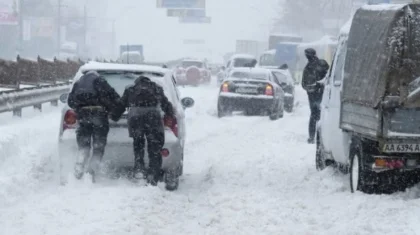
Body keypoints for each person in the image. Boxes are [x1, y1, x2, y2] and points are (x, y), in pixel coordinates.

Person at [112, 75, 175, 186]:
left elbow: (120, 106)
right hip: (153, 118)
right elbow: (166, 104)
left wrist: (114, 116)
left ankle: (139, 170)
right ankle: (153, 175)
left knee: (138, 144)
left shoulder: (130, 89)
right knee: (154, 148)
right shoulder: (156, 88)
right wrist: (171, 113)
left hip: (135, 118)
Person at [67, 71, 121, 181]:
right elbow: (114, 97)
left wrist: (80, 107)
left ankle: (79, 166)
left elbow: (70, 102)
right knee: (98, 147)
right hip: (99, 115)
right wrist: (112, 109)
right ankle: (91, 173)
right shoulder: (100, 81)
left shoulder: (79, 83)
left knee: (84, 145)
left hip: (83, 115)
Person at [301, 48, 329, 144]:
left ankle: (314, 137)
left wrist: (314, 88)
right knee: (319, 115)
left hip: (319, 95)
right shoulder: (318, 65)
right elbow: (304, 84)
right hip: (316, 95)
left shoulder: (314, 66)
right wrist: (312, 89)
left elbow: (328, 77)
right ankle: (315, 137)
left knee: (317, 116)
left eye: (307, 55)